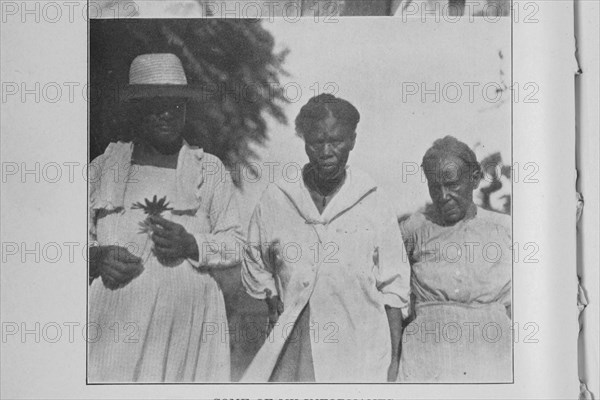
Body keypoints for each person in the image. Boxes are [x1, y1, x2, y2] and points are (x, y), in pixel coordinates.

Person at [88, 53, 244, 382]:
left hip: (189, 328)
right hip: (116, 324)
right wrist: (96, 256)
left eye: (176, 105)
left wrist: (192, 244)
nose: (166, 114)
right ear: (134, 108)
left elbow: (237, 243)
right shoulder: (105, 167)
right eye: (154, 104)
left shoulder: (209, 170)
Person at [241, 94, 411, 382]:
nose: (327, 151)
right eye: (317, 142)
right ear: (305, 142)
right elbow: (254, 257)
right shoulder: (279, 198)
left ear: (353, 140)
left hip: (360, 347)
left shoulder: (372, 200)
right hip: (296, 344)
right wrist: (271, 297)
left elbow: (394, 286)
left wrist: (394, 361)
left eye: (337, 141)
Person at [398, 135, 512, 383]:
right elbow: (389, 290)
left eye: (452, 184)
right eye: (434, 186)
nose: (443, 195)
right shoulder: (414, 230)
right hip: (427, 358)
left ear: (474, 178)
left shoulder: (505, 230)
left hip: (492, 356)